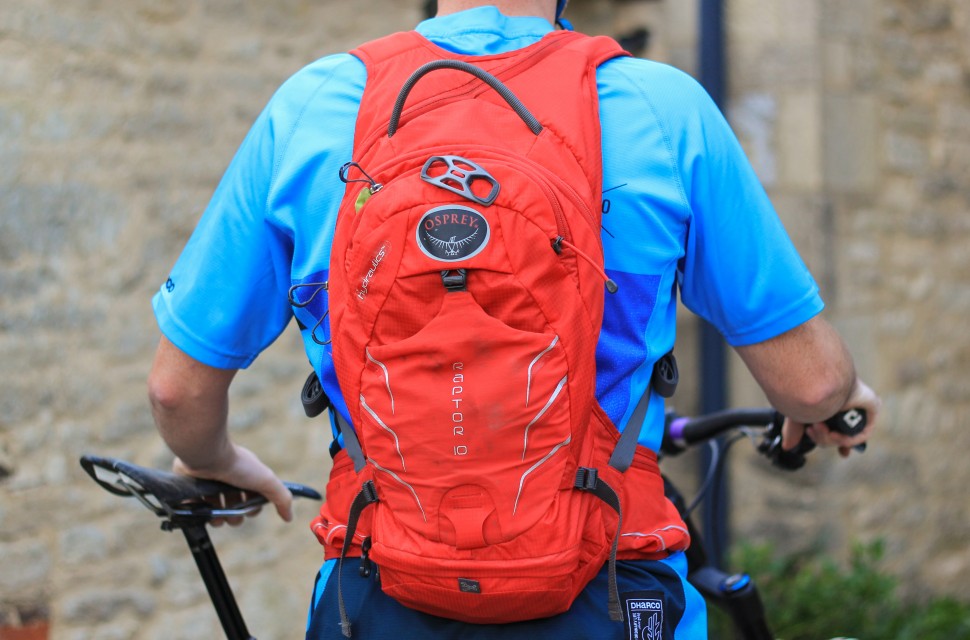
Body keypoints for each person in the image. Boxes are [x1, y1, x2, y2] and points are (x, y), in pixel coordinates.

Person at [147, 1, 881, 638]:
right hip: (611, 584)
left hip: (377, 590)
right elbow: (810, 384)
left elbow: (177, 391)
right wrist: (837, 400)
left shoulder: (313, 105)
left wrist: (215, 460)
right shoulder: (660, 107)